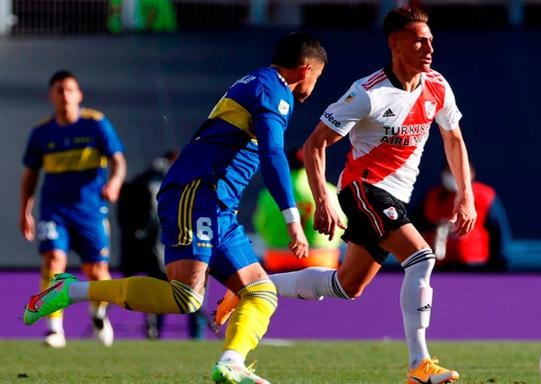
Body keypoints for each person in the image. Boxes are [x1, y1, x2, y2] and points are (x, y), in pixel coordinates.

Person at [23, 32, 327, 384]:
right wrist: (291, 217)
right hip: (196, 193)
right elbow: (272, 153)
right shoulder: (272, 90)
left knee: (261, 292)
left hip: (218, 205)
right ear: (306, 70)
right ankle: (68, 291)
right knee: (186, 298)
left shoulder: (261, 84)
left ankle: (231, 363)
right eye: (317, 78)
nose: (314, 85)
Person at [216, 7, 476, 384]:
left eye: (431, 40)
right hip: (364, 190)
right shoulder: (368, 92)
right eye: (420, 40)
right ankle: (420, 365)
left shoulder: (437, 86)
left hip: (395, 199)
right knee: (421, 258)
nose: (429, 47)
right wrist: (325, 199)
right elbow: (315, 144)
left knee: (346, 286)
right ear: (395, 44)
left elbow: (454, 140)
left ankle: (251, 288)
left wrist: (465, 196)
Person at [19, 70, 127, 348]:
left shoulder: (96, 124)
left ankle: (98, 314)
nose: (65, 95)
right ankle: (54, 328)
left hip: (91, 211)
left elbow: (118, 161)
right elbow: (30, 175)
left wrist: (114, 183)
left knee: (96, 272)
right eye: (59, 90)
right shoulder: (42, 133)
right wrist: (25, 211)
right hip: (56, 210)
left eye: (70, 89)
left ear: (79, 95)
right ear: (51, 95)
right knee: (54, 260)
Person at [118, 151, 207, 339]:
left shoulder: (155, 180)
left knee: (177, 292)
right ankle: (189, 336)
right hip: (174, 248)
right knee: (185, 291)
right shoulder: (161, 182)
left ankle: (164, 334)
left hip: (165, 249)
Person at [253, 148, 343, 272]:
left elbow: (260, 223)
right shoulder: (330, 192)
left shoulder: (269, 194)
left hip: (278, 258)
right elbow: (341, 224)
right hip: (322, 258)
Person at [421, 162, 511, 271]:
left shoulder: (485, 196)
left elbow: (498, 231)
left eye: (460, 171)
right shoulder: (432, 197)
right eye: (449, 171)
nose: (454, 175)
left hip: (475, 265)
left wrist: (499, 263)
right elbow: (416, 227)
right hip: (440, 266)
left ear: (471, 173)